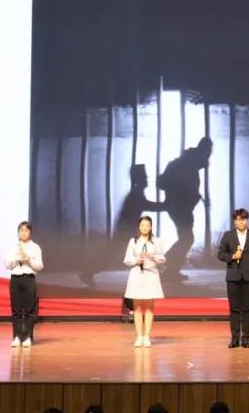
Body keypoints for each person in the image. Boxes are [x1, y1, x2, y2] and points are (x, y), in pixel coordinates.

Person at [82, 164, 165, 288]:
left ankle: (89, 272)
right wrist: (167, 206)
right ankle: (88, 272)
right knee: (112, 255)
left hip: (126, 231)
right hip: (126, 232)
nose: (147, 179)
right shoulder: (136, 195)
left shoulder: (135, 193)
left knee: (112, 255)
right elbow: (149, 206)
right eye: (144, 177)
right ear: (139, 179)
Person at [158, 137, 213, 281]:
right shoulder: (187, 165)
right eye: (208, 153)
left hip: (179, 208)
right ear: (203, 151)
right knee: (187, 238)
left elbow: (185, 187)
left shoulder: (187, 163)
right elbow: (183, 188)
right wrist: (193, 197)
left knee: (186, 238)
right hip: (179, 208)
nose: (208, 158)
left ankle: (171, 271)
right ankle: (167, 262)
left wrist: (195, 196)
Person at [216, 208, 249, 348]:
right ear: (234, 221)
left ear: (247, 220)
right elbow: (220, 254)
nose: (240, 222)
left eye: (243, 219)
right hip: (233, 277)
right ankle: (235, 339)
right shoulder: (228, 235)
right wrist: (232, 256)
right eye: (237, 219)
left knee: (247, 309)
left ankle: (246, 339)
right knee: (234, 309)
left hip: (248, 277)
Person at [124, 215, 166, 347]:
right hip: (137, 274)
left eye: (147, 225)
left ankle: (147, 336)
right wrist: (136, 261)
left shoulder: (156, 241)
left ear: (151, 227)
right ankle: (139, 336)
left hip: (150, 275)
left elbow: (162, 258)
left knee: (149, 306)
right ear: (139, 226)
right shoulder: (133, 241)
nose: (145, 227)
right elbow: (127, 259)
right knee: (136, 307)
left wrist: (152, 256)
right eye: (142, 225)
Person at [5, 220, 43, 347]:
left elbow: (39, 266)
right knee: (15, 310)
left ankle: (27, 337)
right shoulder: (13, 247)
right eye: (21, 230)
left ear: (30, 232)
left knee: (29, 310)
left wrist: (29, 260)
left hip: (29, 279)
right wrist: (18, 258)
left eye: (26, 230)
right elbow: (7, 265)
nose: (23, 233)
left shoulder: (35, 247)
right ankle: (17, 337)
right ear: (18, 232)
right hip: (15, 279)